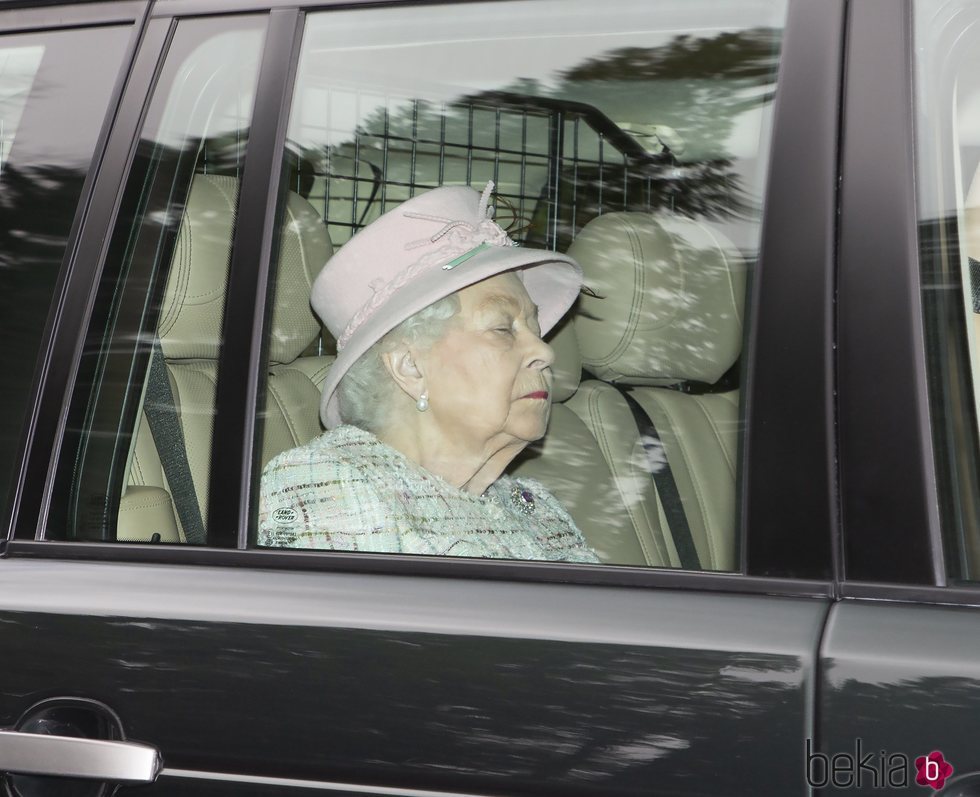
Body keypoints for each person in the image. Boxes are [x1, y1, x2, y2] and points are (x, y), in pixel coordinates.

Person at [258, 183, 599, 563]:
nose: (544, 352)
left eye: (534, 329)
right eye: (503, 328)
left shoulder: (533, 507)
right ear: (410, 367)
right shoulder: (330, 487)